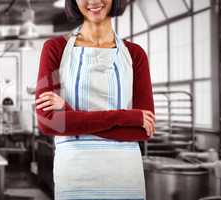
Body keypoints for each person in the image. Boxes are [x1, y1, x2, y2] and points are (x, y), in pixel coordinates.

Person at [34, 0, 155, 199]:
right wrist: (127, 117)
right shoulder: (55, 49)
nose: (93, 1)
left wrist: (69, 114)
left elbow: (142, 129)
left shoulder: (135, 55)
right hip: (75, 178)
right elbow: (49, 123)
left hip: (125, 180)